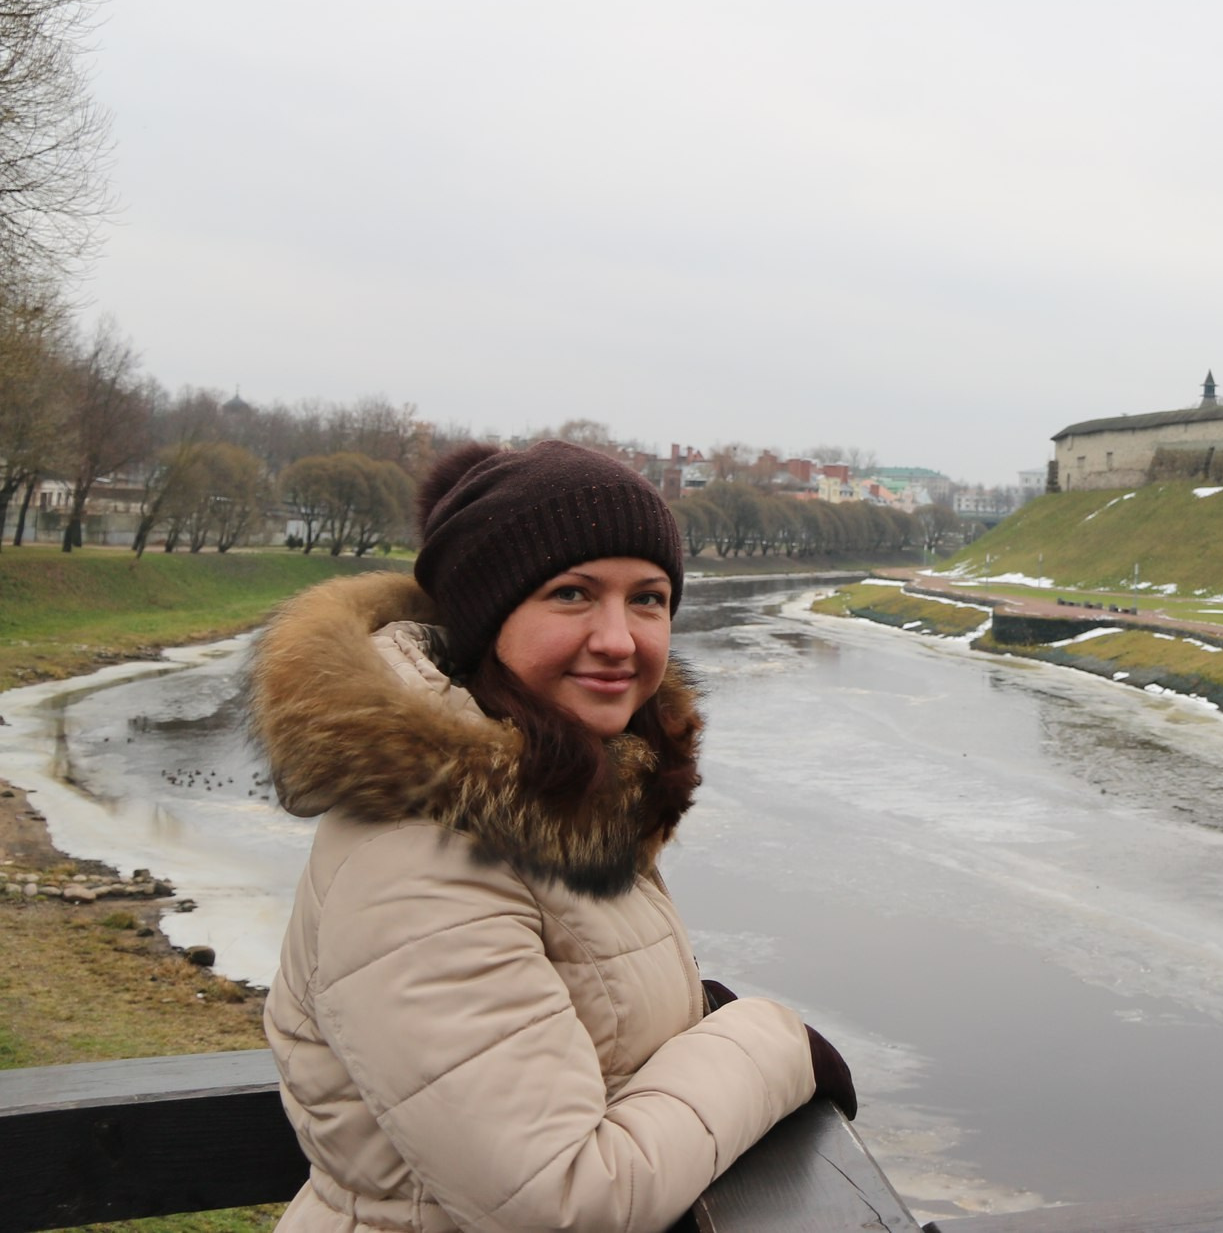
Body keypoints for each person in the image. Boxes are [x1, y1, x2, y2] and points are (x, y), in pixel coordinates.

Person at [254, 439, 854, 1233]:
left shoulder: (558, 794)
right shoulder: (418, 856)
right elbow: (563, 1200)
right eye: (572, 593)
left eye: (648, 598)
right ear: (486, 620)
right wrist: (773, 1043)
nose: (619, 637)